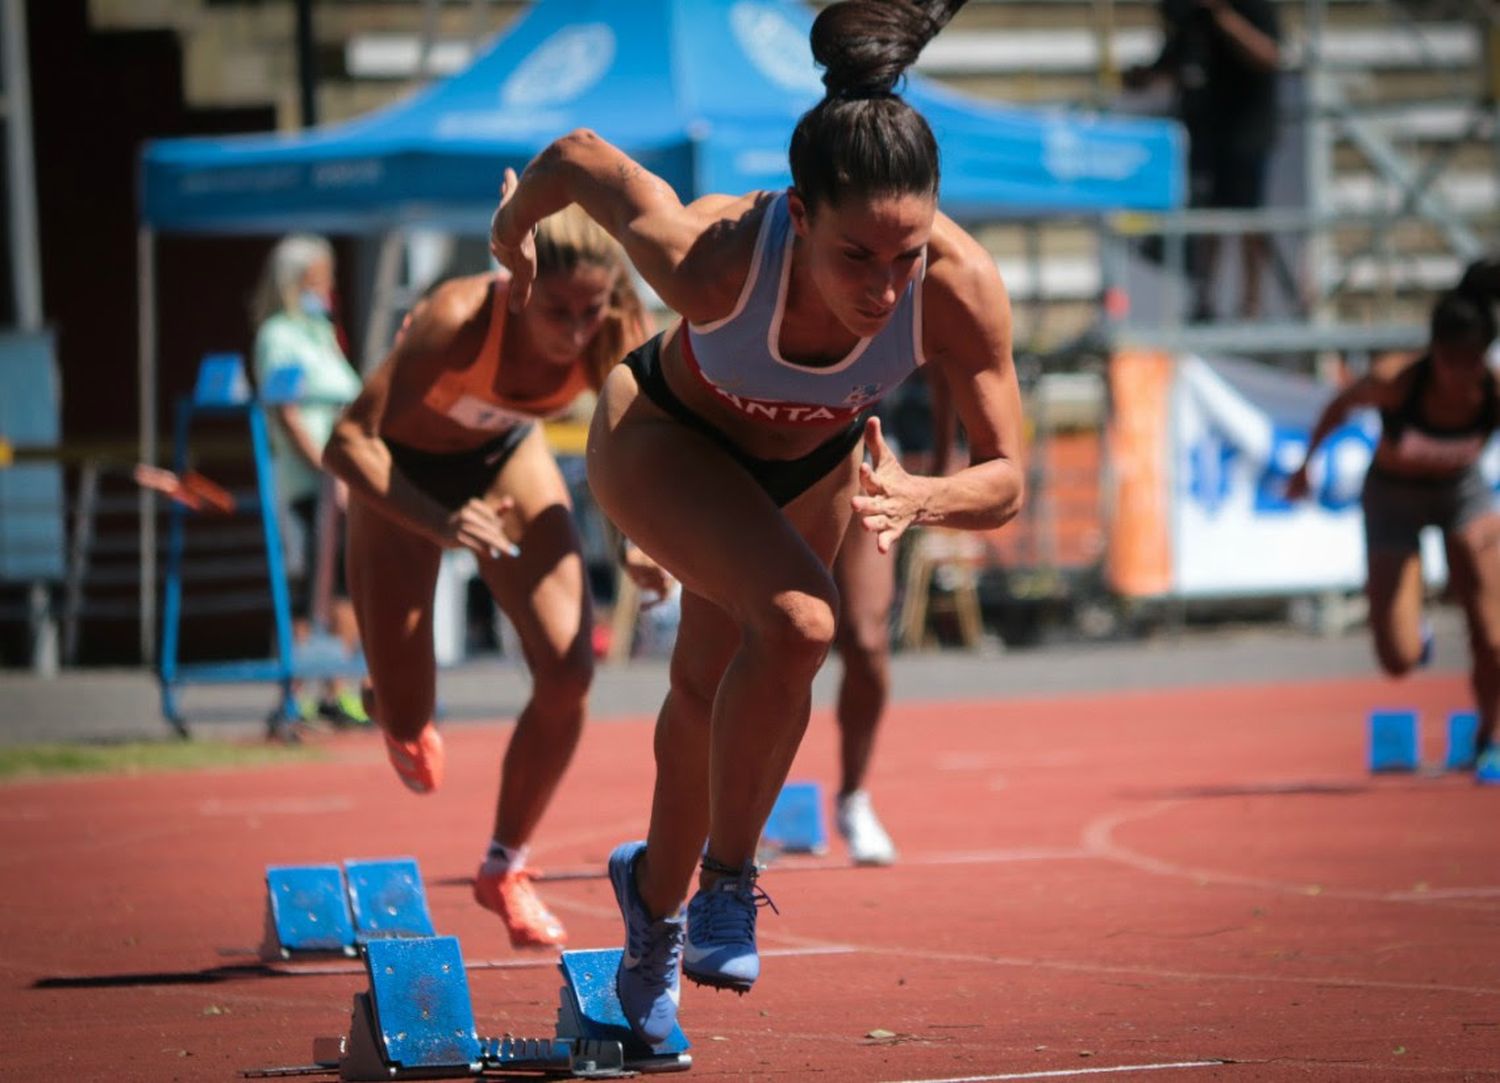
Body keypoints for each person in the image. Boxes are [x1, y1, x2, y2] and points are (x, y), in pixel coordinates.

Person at [489, 0, 1025, 1043]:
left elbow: (1007, 479)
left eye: (904, 254)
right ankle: (724, 882)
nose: (884, 288)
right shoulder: (715, 255)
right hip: (665, 436)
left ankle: (650, 912)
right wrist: (511, 235)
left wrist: (923, 498)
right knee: (801, 623)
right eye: (856, 256)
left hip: (815, 458)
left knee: (705, 694)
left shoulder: (957, 285)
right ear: (799, 214)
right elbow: (576, 156)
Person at [322, 207, 667, 948]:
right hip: (400, 476)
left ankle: (504, 864)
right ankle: (395, 696)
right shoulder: (455, 318)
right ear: (517, 288)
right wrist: (440, 524)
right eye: (557, 311)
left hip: (505, 457)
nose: (576, 331)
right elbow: (345, 444)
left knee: (571, 671)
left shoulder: (616, 322)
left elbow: (634, 443)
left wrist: (639, 539)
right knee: (413, 744)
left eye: (590, 311)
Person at [1287, 258, 1500, 780]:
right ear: (1434, 354)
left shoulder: (1494, 392)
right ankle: (1415, 628)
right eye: (1449, 361)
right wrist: (1306, 465)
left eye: (1469, 363)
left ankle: (1489, 739)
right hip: (1394, 499)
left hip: (1461, 495)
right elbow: (1339, 406)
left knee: (1493, 629)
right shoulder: (1396, 382)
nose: (1458, 375)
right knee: (1397, 658)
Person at [830, 371, 954, 866]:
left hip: (867, 460)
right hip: (780, 456)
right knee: (775, 636)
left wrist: (940, 474)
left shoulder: (903, 294)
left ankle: (853, 796)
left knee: (865, 638)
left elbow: (948, 358)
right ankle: (738, 808)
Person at [250, 234, 368, 729]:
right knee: (305, 590)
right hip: (307, 485)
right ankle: (292, 693)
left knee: (345, 585)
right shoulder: (279, 335)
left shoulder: (320, 331)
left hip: (342, 487)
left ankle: (339, 692)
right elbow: (288, 413)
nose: (331, 286)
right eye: (323, 277)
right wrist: (328, 468)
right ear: (298, 280)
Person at [1125, 0, 1281, 321]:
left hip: (1247, 129)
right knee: (1207, 216)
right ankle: (1205, 299)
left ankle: (1251, 305)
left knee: (1249, 217)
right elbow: (1174, 61)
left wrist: (1224, 16)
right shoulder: (1190, 14)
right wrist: (1143, 76)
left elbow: (1269, 55)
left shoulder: (1253, 7)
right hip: (1204, 131)